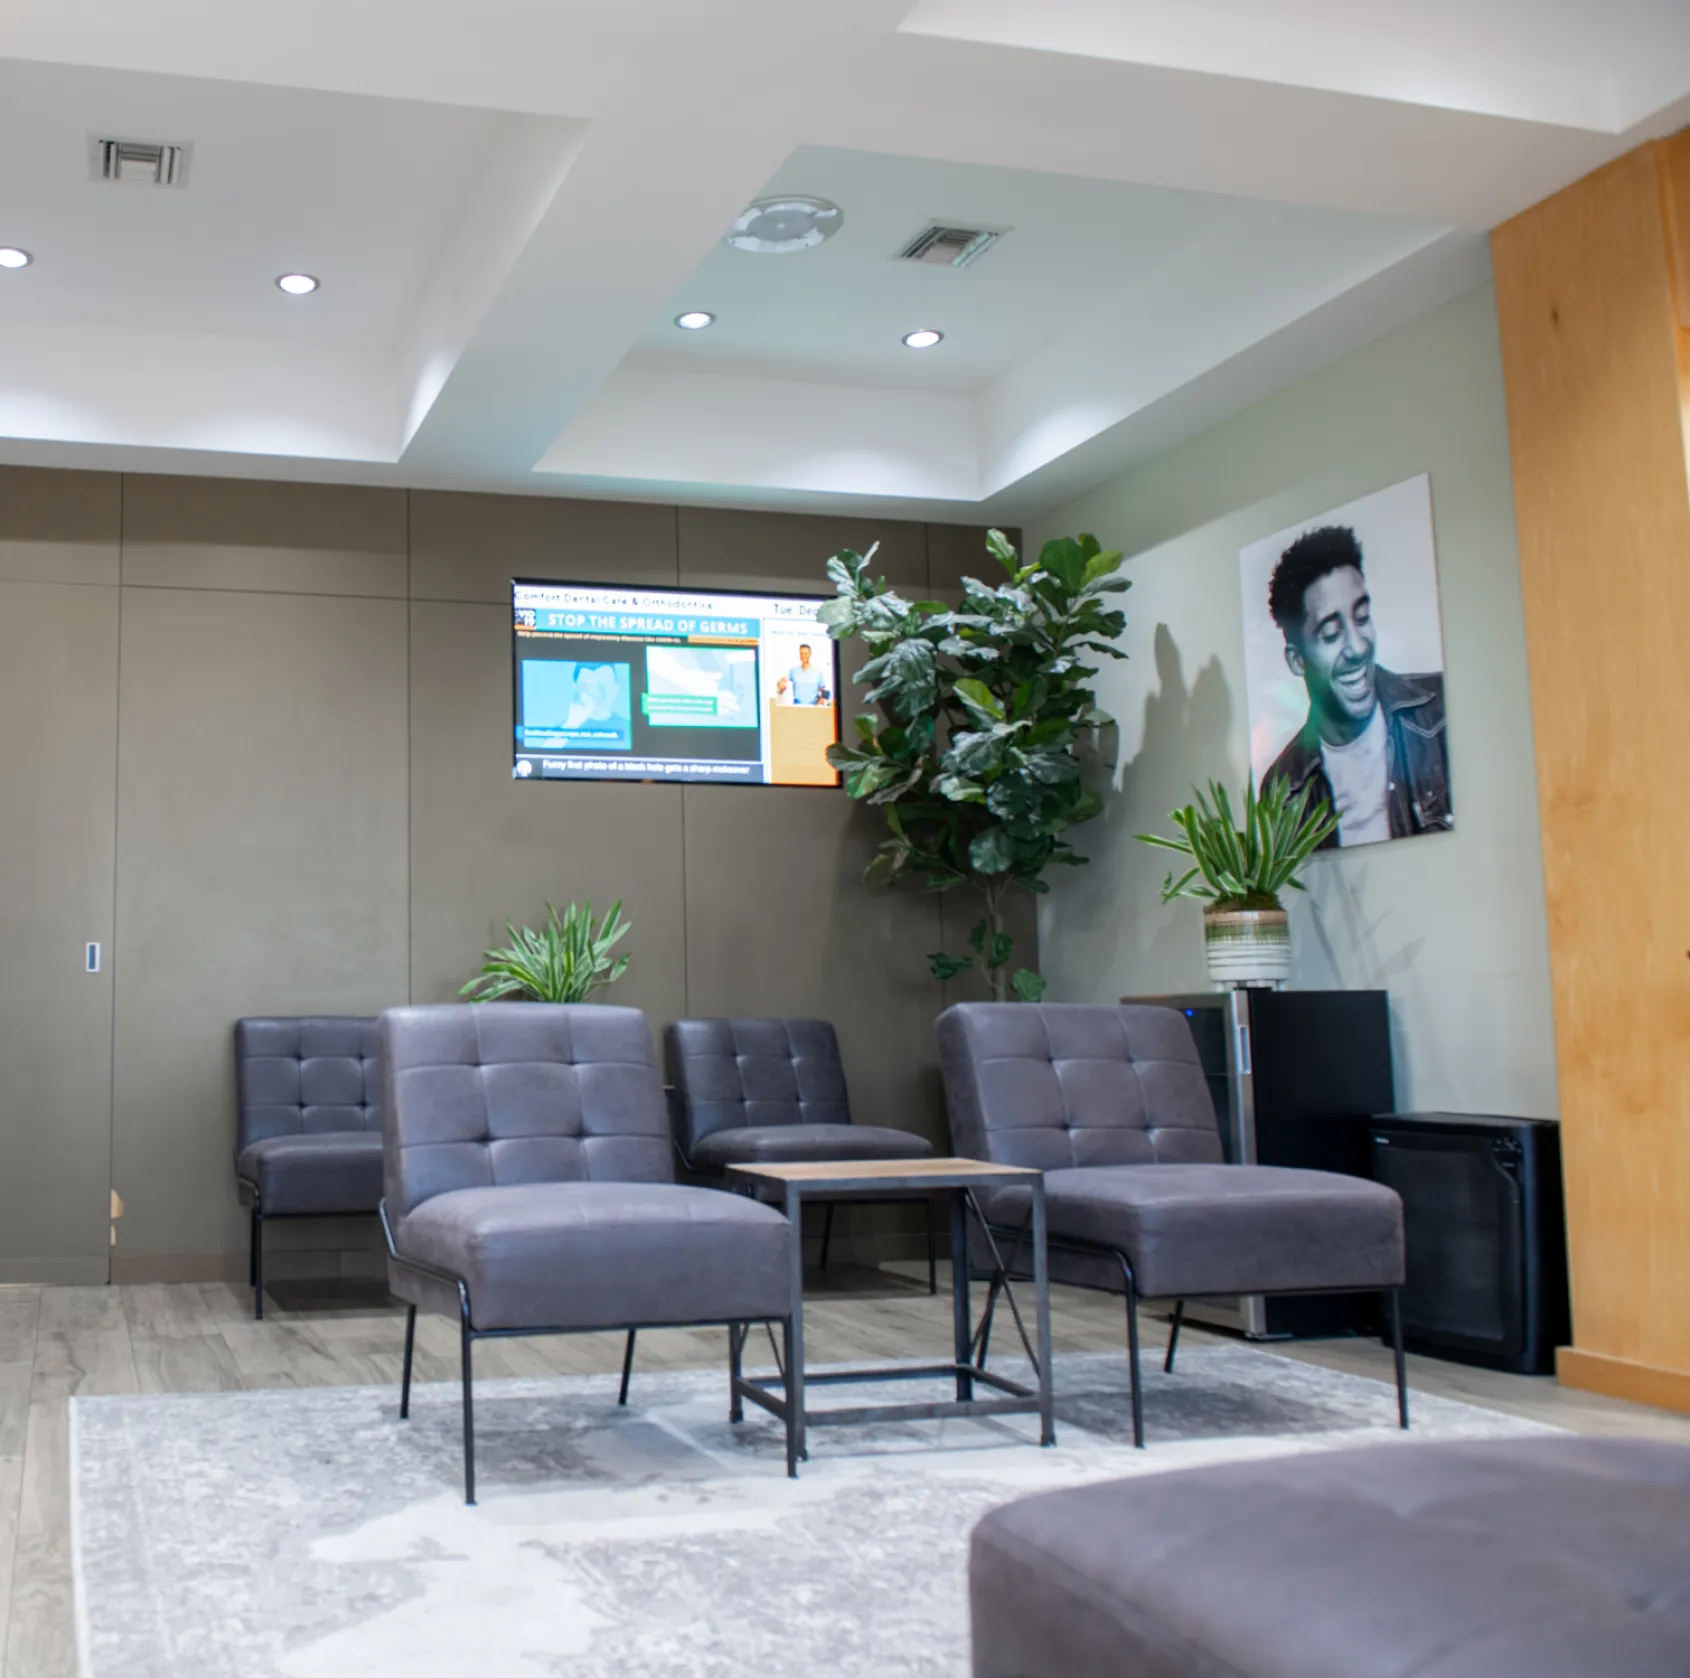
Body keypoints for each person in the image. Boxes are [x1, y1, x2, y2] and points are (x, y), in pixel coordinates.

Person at [1259, 524, 1452, 848]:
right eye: (1332, 634)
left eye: (1362, 617)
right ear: (1297, 661)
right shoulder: (1282, 789)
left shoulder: (1442, 712)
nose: (1358, 647)